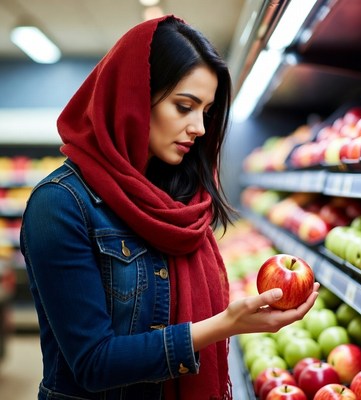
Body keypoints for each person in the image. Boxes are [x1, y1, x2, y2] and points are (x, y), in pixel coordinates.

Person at [20, 15, 319, 400]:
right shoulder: (60, 204)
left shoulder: (180, 203)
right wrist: (225, 324)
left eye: (206, 112)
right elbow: (93, 362)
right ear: (134, 98)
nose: (200, 127)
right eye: (184, 107)